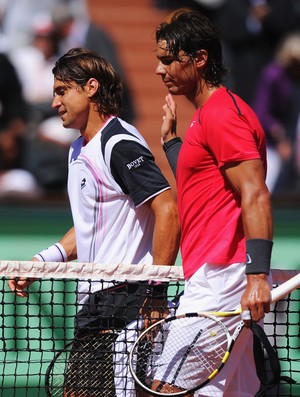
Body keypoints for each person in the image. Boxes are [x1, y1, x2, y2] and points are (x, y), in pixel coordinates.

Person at [8, 48, 180, 396]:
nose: (55, 102)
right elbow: (90, 227)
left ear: (90, 88)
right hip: (96, 304)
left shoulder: (119, 144)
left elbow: (168, 210)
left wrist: (157, 292)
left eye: (61, 91)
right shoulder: (77, 150)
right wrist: (43, 262)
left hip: (129, 300)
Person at [151, 10, 273, 396]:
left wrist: (256, 277)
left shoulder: (223, 115)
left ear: (199, 59)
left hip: (223, 277)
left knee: (165, 390)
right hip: (214, 274)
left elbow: (254, 192)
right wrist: (172, 144)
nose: (159, 69)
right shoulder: (208, 116)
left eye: (169, 59)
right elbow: (201, 182)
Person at [253, 31, 300, 193]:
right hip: (271, 142)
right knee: (268, 185)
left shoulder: (295, 77)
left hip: (293, 136)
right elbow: (261, 112)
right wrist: (280, 138)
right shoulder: (273, 75)